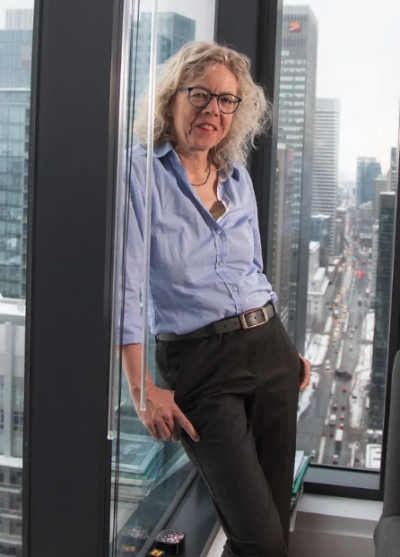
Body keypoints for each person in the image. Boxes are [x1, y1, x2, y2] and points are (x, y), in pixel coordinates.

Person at [120, 42, 311, 557]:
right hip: (200, 362)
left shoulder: (236, 177)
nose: (212, 111)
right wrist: (141, 388)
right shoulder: (139, 173)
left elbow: (252, 271)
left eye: (227, 101)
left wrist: (283, 345)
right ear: (171, 98)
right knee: (261, 536)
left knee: (275, 520)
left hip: (269, 348)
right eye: (200, 95)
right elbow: (126, 290)